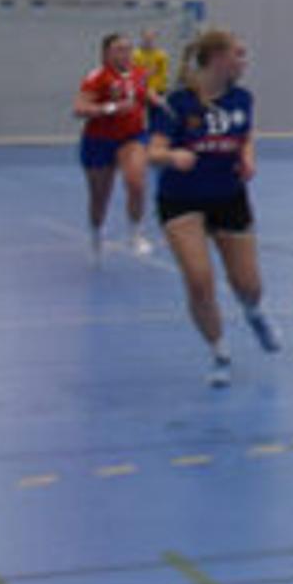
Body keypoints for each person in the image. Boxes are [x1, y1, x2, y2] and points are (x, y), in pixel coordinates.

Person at [146, 30, 275, 381]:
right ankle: (219, 353)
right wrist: (172, 156)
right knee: (199, 281)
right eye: (238, 54)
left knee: (248, 284)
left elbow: (245, 135)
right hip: (181, 198)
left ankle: (255, 312)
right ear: (218, 58)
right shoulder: (176, 103)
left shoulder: (242, 98)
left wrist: (248, 158)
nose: (244, 61)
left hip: (228, 196)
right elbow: (152, 151)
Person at [73, 31, 155, 258]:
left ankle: (135, 233)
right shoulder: (97, 77)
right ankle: (96, 232)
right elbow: (79, 108)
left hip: (132, 137)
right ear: (106, 54)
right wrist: (110, 108)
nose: (125, 54)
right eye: (119, 49)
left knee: (136, 182)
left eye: (128, 49)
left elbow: (142, 96)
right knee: (100, 197)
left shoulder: (139, 74)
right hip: (99, 140)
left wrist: (157, 100)